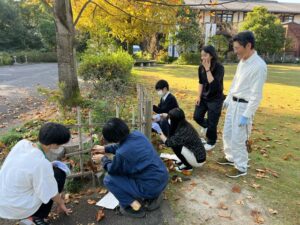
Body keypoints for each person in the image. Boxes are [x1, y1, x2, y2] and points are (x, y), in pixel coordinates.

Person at [92, 118, 168, 218]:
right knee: (137, 173)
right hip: (162, 178)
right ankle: (154, 197)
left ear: (111, 137)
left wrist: (103, 159)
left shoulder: (122, 154)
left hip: (150, 187)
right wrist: (105, 148)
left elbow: (112, 169)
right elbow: (123, 145)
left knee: (108, 179)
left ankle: (132, 207)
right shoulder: (138, 135)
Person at [0, 122, 72, 225]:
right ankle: (35, 218)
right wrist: (61, 204)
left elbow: (28, 167)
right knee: (59, 174)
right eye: (60, 144)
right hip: (16, 205)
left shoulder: (22, 144)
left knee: (48, 175)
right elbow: (50, 191)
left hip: (4, 198)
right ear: (53, 145)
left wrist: (47, 167)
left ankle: (32, 216)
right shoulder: (41, 163)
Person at [218, 31, 267, 178]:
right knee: (227, 133)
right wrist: (227, 99)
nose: (235, 51)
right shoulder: (243, 61)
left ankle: (241, 166)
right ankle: (230, 157)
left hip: (244, 107)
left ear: (248, 46)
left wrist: (247, 115)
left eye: (238, 47)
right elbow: (236, 82)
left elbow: (256, 94)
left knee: (239, 137)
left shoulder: (259, 66)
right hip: (233, 103)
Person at [152, 108, 206, 172]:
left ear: (175, 120)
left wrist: (159, 130)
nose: (168, 119)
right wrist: (160, 115)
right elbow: (170, 117)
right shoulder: (182, 123)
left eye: (170, 118)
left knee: (175, 146)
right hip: (197, 155)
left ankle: (188, 167)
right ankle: (185, 160)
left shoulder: (182, 131)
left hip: (197, 160)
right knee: (176, 144)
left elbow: (168, 143)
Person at [193, 45, 224, 151]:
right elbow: (201, 83)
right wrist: (198, 96)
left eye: (205, 55)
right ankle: (208, 127)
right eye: (202, 55)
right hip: (204, 97)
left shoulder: (219, 68)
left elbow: (214, 84)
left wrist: (207, 69)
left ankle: (211, 141)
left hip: (215, 98)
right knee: (197, 116)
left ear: (211, 55)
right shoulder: (200, 67)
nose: (203, 58)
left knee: (212, 121)